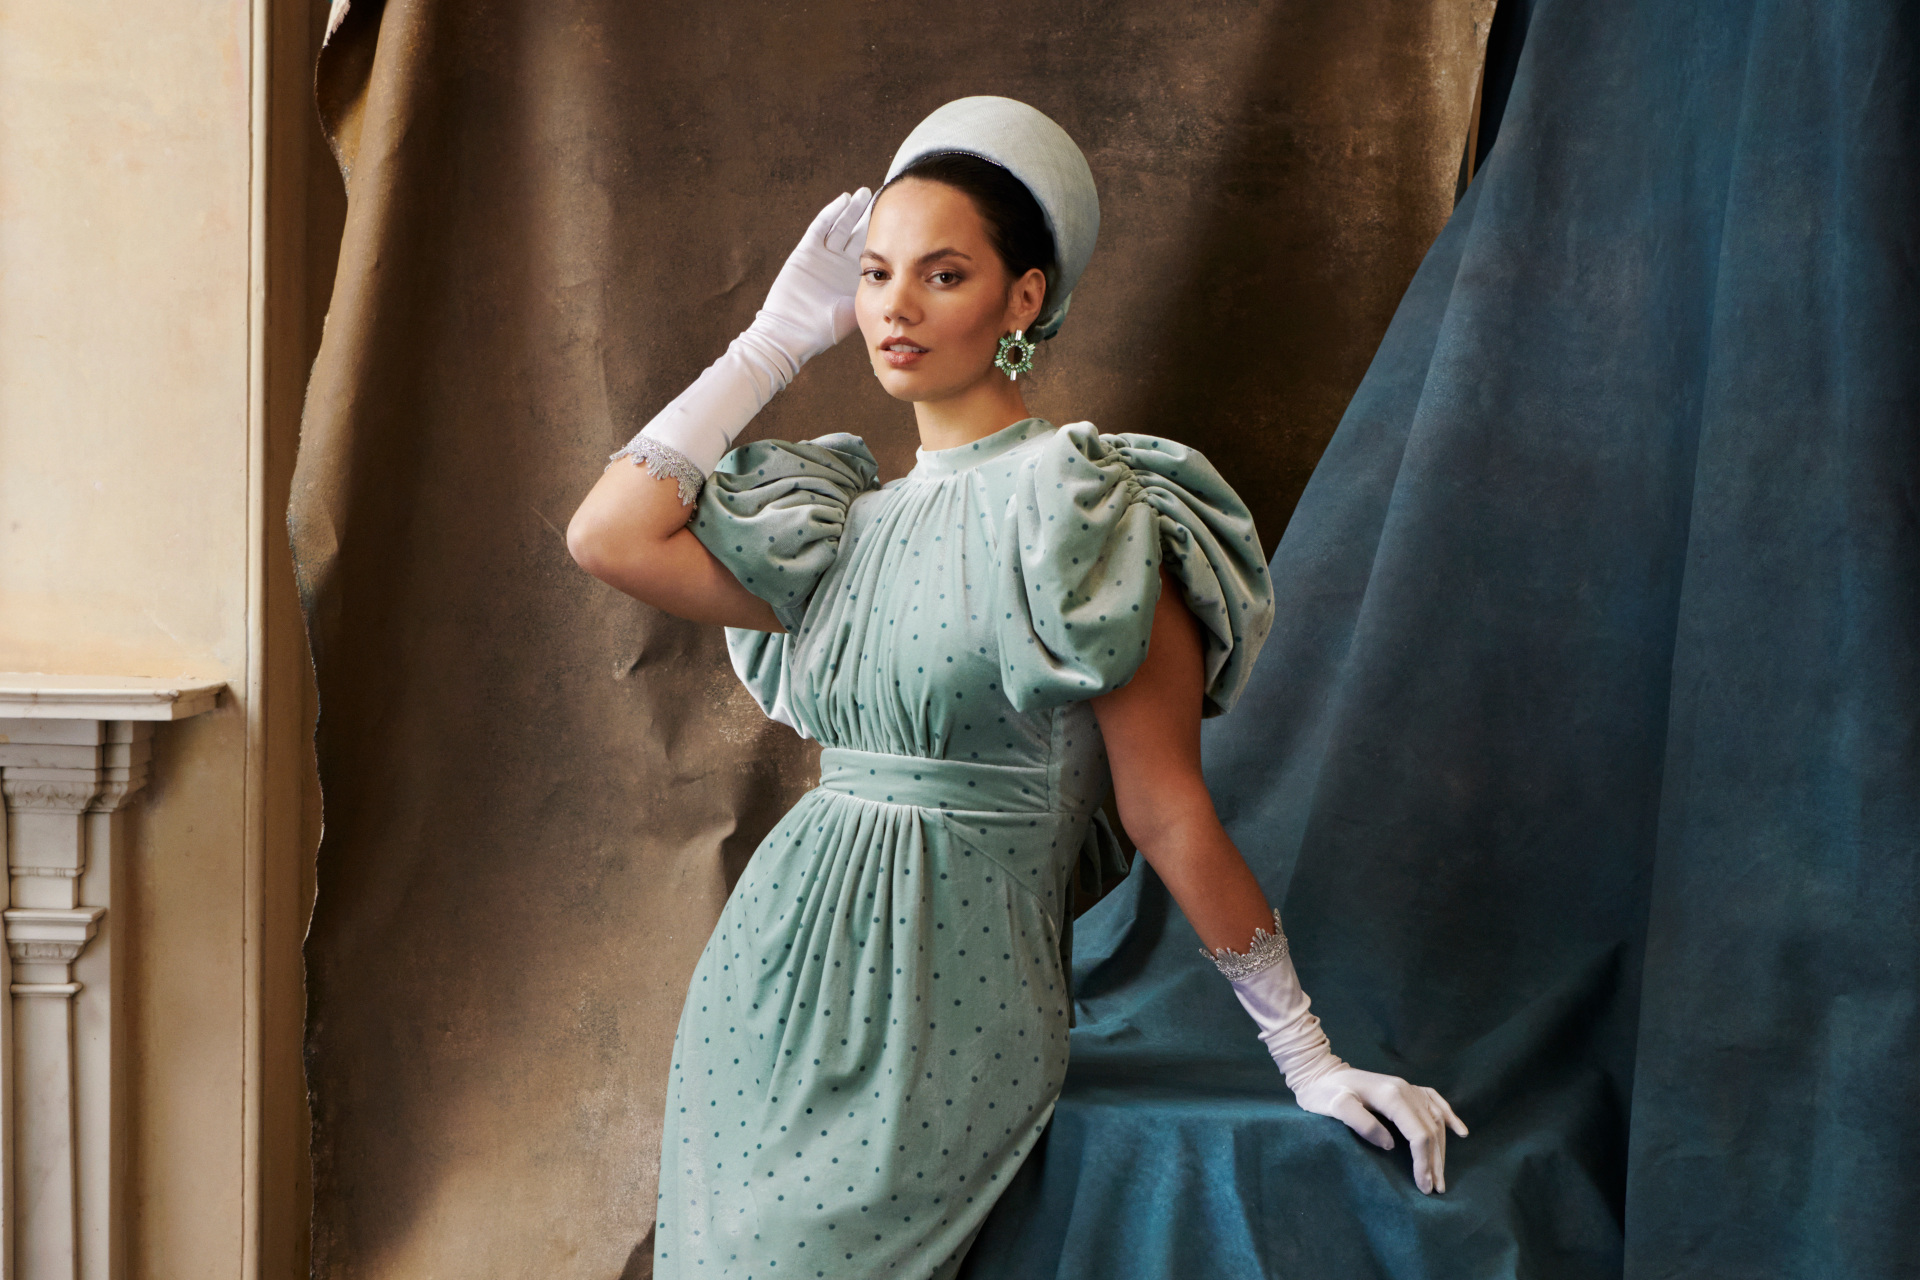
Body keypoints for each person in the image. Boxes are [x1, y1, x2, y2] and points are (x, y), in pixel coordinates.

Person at [567, 96, 1464, 1280]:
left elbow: (1167, 808)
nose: (893, 306)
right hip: (765, 992)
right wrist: (774, 343)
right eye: (877, 273)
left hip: (948, 1012)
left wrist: (1308, 1054)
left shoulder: (1087, 515)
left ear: (1024, 299)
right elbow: (610, 533)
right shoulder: (842, 530)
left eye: (943, 274)